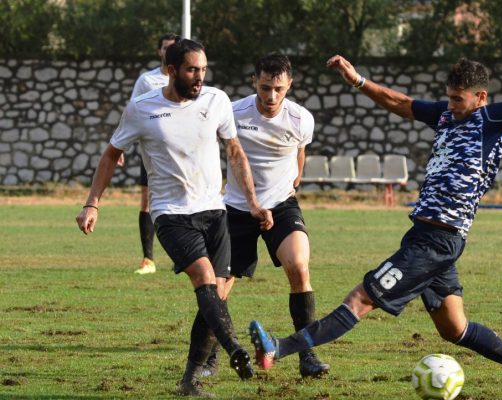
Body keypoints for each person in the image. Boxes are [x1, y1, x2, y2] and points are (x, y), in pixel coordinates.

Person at [248, 25, 502, 400]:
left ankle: (279, 347)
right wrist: (358, 80)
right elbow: (400, 102)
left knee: (362, 298)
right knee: (455, 329)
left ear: (480, 97)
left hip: (439, 241)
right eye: (448, 98)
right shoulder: (447, 116)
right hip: (425, 236)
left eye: (458, 99)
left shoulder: (494, 120)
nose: (450, 105)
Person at [75, 38, 274, 397]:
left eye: (203, 69)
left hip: (215, 211)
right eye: (191, 70)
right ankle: (235, 350)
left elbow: (235, 151)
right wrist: (92, 204)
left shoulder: (216, 101)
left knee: (217, 293)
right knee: (204, 279)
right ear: (171, 71)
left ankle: (189, 380)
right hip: (171, 214)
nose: (199, 77)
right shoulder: (142, 108)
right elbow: (110, 155)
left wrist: (254, 202)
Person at [198, 53, 329, 379]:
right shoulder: (234, 113)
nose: (271, 97)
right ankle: (211, 356)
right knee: (217, 288)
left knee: (299, 266)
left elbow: (300, 152)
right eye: (265, 88)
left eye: (279, 89)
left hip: (282, 207)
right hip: (236, 210)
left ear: (290, 86)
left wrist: (295, 179)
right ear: (254, 82)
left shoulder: (301, 119)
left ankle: (307, 354)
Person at [128, 32, 181, 275]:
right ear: (160, 51)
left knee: (184, 202)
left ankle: (183, 256)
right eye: (165, 47)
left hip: (181, 153)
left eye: (174, 47)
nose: (168, 51)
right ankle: (148, 259)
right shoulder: (147, 81)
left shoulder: (186, 80)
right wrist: (122, 146)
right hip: (152, 152)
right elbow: (133, 113)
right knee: (147, 201)